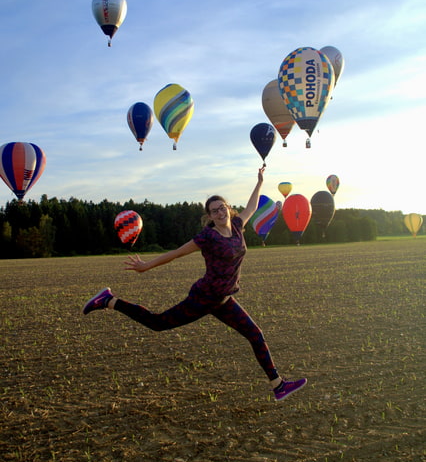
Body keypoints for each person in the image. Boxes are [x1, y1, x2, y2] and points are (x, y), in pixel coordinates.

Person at [83, 168, 307, 401]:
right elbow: (176, 253)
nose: (219, 213)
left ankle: (278, 385)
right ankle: (109, 300)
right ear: (209, 216)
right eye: (214, 211)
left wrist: (259, 182)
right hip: (204, 298)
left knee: (255, 334)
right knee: (158, 323)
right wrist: (146, 265)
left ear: (228, 208)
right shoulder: (207, 236)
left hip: (224, 300)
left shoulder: (238, 225)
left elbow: (251, 206)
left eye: (222, 208)